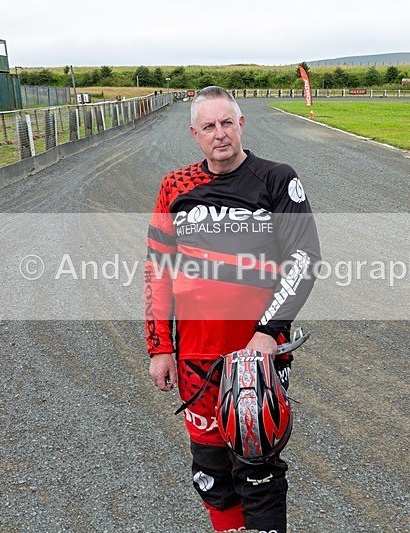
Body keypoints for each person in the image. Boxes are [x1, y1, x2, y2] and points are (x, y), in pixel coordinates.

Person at [144, 86, 321, 532]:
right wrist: (160, 348)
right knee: (211, 472)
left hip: (255, 356)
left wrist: (269, 331)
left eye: (227, 123)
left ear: (241, 124)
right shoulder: (174, 186)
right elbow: (158, 272)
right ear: (195, 134)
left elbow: (304, 259)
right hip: (195, 359)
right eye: (209, 126)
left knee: (258, 469)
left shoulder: (275, 179)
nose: (219, 133)